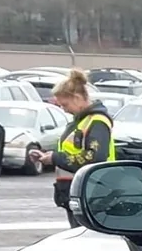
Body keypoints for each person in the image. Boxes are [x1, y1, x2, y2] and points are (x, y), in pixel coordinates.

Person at [49, 70, 115, 224]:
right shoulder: (80, 122)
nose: (64, 109)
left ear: (77, 98)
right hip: (79, 192)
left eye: (65, 104)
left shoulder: (97, 122)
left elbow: (94, 158)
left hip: (92, 193)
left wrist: (54, 158)